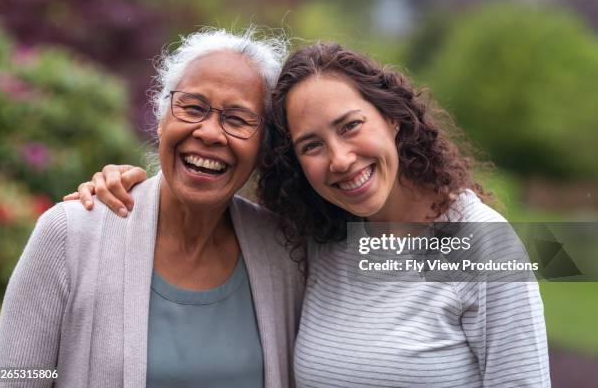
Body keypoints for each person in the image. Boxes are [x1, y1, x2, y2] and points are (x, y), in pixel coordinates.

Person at [69, 43, 550, 387]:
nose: (340, 159)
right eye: (311, 146)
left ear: (394, 117)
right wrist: (130, 183)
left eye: (351, 126)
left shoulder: (481, 246)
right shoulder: (316, 241)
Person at [0, 29, 304, 388]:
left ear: (263, 147)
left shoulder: (286, 253)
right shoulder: (69, 235)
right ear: (161, 119)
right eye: (193, 107)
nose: (209, 132)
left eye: (237, 119)